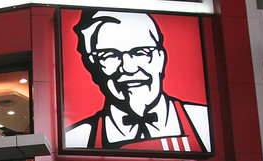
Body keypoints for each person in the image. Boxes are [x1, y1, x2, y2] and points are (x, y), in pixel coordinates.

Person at [64, 10, 210, 152]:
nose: (129, 68)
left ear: (161, 58)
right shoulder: (78, 137)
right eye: (110, 55)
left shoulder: (202, 121)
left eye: (141, 52)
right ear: (92, 66)